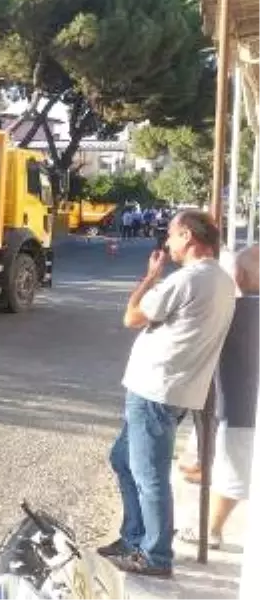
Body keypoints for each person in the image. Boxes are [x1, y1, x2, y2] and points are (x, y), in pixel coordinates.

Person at [97, 209, 237, 577]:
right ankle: (135, 537)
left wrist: (151, 276)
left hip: (156, 389)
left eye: (172, 236)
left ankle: (155, 554)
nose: (168, 243)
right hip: (169, 389)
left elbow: (131, 316)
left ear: (189, 237)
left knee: (149, 474)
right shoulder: (220, 279)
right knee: (123, 460)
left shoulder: (188, 279)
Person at [177, 244, 260, 550]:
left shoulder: (239, 311)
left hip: (241, 409)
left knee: (234, 473)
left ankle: (210, 530)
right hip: (240, 406)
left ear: (239, 274)